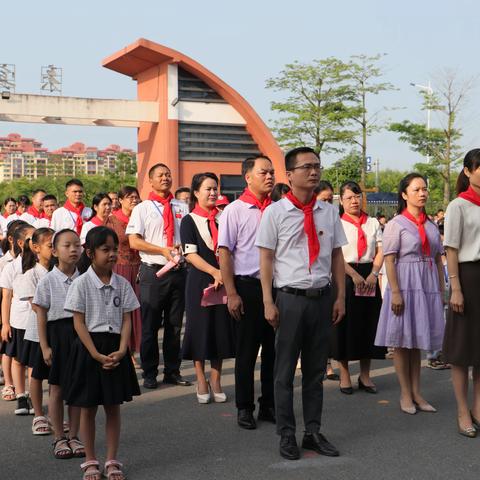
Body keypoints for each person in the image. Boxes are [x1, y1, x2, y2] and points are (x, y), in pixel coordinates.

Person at [256, 147, 347, 461]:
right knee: (283, 373)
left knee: (314, 372)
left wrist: (340, 297)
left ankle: (312, 431)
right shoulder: (275, 213)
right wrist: (268, 300)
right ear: (290, 174)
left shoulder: (328, 212)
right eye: (307, 166)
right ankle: (286, 434)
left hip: (321, 299)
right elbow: (265, 258)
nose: (314, 171)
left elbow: (337, 255)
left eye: (317, 166)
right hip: (290, 299)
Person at [63, 226, 140, 480]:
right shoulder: (82, 284)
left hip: (115, 347)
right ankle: (90, 459)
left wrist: (122, 349)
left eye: (114, 249)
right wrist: (95, 354)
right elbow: (78, 322)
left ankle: (111, 459)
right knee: (87, 407)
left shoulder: (123, 284)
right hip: (89, 349)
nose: (112, 254)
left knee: (113, 406)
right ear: (90, 252)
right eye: (105, 249)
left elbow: (127, 319)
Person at [374, 173, 445, 415]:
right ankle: (405, 393)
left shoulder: (431, 225)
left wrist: (440, 289)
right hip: (405, 285)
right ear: (404, 195)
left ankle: (417, 393)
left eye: (424, 189)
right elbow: (390, 260)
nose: (422, 193)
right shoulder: (396, 224)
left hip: (427, 286)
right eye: (416, 189)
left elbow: (437, 258)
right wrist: (395, 292)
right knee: (403, 343)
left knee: (417, 344)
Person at [218, 156, 276, 429]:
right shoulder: (235, 210)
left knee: (274, 352)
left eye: (272, 172)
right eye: (263, 172)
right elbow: (225, 253)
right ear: (248, 176)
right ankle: (245, 407)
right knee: (247, 352)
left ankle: (269, 405)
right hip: (247, 287)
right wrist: (231, 293)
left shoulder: (277, 210)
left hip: (277, 289)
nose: (269, 177)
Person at [127, 163, 191, 388]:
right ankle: (150, 372)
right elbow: (134, 241)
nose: (165, 178)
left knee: (175, 325)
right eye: (160, 175)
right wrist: (161, 250)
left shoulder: (181, 206)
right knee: (151, 325)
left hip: (178, 271)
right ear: (151, 181)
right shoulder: (142, 208)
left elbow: (188, 236)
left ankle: (173, 371)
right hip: (153, 271)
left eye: (168, 174)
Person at [180, 173, 235, 404]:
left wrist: (225, 275)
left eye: (215, 189)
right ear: (196, 192)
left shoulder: (225, 218)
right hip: (201, 281)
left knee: (220, 330)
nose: (213, 193)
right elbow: (190, 254)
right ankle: (201, 379)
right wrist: (214, 273)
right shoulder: (189, 220)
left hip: (225, 281)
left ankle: (216, 379)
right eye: (207, 189)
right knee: (200, 329)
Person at [33, 229, 84, 458]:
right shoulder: (48, 281)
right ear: (54, 251)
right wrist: (44, 346)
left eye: (77, 245)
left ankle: (74, 435)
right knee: (57, 388)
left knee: (77, 388)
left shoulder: (85, 278)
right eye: (67, 245)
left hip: (80, 334)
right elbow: (41, 316)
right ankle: (59, 438)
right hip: (58, 335)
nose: (73, 249)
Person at [330, 181, 385, 394]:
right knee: (345, 325)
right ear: (341, 201)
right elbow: (336, 254)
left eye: (357, 196)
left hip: (369, 275)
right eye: (349, 197)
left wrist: (373, 273)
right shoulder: (337, 223)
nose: (354, 201)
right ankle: (344, 375)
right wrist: (352, 275)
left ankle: (365, 375)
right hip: (345, 274)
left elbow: (380, 250)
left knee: (368, 325)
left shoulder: (372, 223)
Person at [443, 149, 480, 437]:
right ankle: (461, 409)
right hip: (467, 277)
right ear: (467, 171)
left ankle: (479, 407)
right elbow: (451, 249)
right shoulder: (458, 205)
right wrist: (455, 288)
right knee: (461, 349)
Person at [18, 227, 55, 436]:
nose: (55, 249)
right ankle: (39, 414)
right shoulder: (31, 274)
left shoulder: (61, 271)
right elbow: (36, 305)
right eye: (51, 245)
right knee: (38, 374)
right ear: (36, 248)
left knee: (58, 376)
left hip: (59, 330)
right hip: (37, 331)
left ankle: (57, 415)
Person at [0, 222, 36, 415]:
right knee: (18, 359)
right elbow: (6, 296)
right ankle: (21, 396)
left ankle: (31, 394)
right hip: (18, 320)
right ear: (21, 243)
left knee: (32, 360)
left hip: (36, 320)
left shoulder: (41, 265)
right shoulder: (11, 267)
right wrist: (5, 323)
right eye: (32, 238)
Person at [105, 187, 142, 368]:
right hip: (119, 268)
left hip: (139, 267)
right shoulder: (111, 220)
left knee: (136, 310)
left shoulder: (141, 216)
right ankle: (124, 349)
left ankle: (134, 349)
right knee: (121, 310)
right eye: (130, 197)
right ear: (120, 200)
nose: (134, 200)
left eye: (136, 197)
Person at [315, 180, 339, 381]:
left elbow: (337, 254)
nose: (329, 203)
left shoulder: (331, 216)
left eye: (331, 199)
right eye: (325, 199)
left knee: (325, 331)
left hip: (327, 284)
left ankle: (327, 363)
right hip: (301, 287)